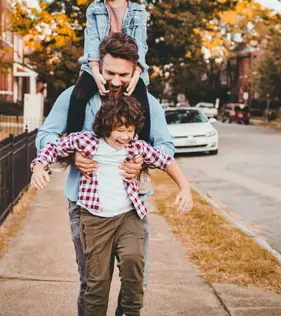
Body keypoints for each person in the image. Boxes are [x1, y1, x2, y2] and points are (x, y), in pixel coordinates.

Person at [36, 32, 173, 316]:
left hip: (130, 210)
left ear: (136, 71)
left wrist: (141, 164)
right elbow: (47, 134)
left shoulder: (147, 103)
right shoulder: (75, 97)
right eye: (109, 72)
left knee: (136, 281)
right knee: (92, 283)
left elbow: (166, 147)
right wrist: (71, 156)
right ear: (98, 66)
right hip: (84, 207)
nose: (115, 81)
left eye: (123, 74)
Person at [31, 94, 193, 316]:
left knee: (134, 262)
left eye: (130, 130)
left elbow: (167, 161)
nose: (126, 136)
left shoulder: (137, 147)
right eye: (120, 130)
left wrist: (185, 188)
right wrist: (39, 166)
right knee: (97, 281)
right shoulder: (85, 141)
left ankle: (129, 311)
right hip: (95, 219)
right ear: (106, 125)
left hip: (128, 216)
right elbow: (53, 147)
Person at [67, 0, 151, 141]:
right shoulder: (94, 9)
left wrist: (137, 73)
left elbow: (141, 44)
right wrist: (95, 71)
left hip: (130, 69)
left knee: (143, 105)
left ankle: (143, 151)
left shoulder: (138, 11)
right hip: (99, 65)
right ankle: (70, 145)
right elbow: (92, 40)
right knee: (78, 96)